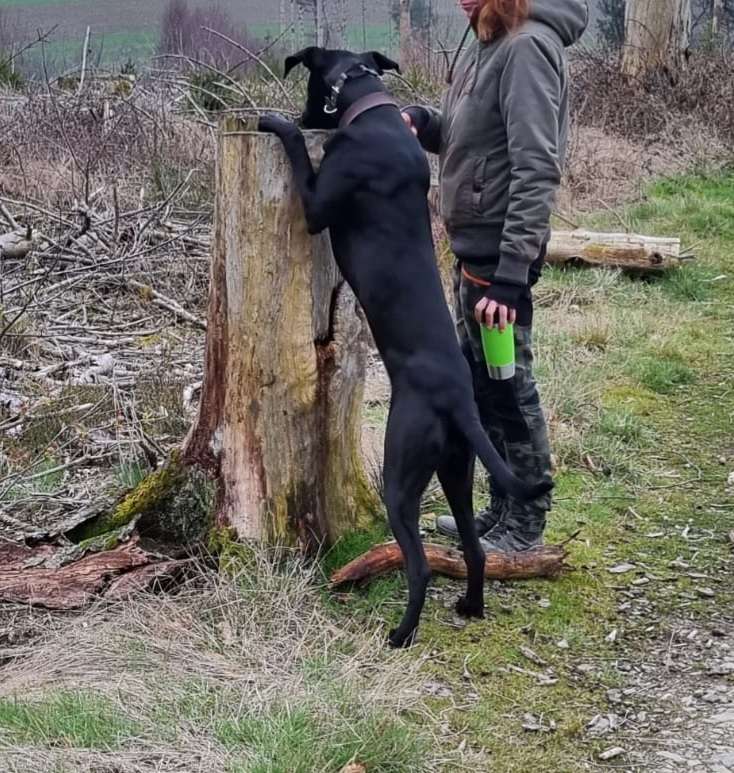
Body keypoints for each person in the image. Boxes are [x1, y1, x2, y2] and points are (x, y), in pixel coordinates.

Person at [402, 0, 588, 552]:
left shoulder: (527, 47)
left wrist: (510, 276)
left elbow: (536, 166)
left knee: (510, 388)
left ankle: (526, 522)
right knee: (483, 384)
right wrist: (425, 123)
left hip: (500, 263)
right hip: (474, 252)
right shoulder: (488, 40)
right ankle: (502, 507)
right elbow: (473, 139)